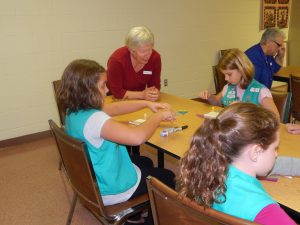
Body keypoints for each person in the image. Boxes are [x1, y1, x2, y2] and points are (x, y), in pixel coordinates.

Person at [57, 59, 176, 224]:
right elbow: (137, 138)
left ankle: (132, 216)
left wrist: (146, 104)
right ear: (86, 90)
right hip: (111, 189)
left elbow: (115, 108)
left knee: (145, 161)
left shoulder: (74, 110)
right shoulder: (96, 120)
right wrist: (158, 117)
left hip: (94, 181)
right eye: (103, 85)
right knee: (169, 177)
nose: (107, 90)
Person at [176, 103, 296, 225]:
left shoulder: (206, 171)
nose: (276, 154)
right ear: (255, 152)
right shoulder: (266, 211)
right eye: (275, 148)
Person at [199, 48, 279, 117]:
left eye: (229, 74)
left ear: (242, 69)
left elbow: (275, 118)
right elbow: (217, 102)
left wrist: (244, 109)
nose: (226, 78)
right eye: (224, 74)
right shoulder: (228, 87)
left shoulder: (261, 91)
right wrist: (209, 96)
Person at [107, 26, 161, 101]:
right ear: (131, 50)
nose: (148, 55)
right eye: (143, 51)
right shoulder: (117, 60)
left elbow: (154, 86)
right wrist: (142, 95)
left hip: (140, 99)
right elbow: (117, 93)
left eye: (150, 50)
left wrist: (154, 93)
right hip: (113, 99)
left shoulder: (155, 58)